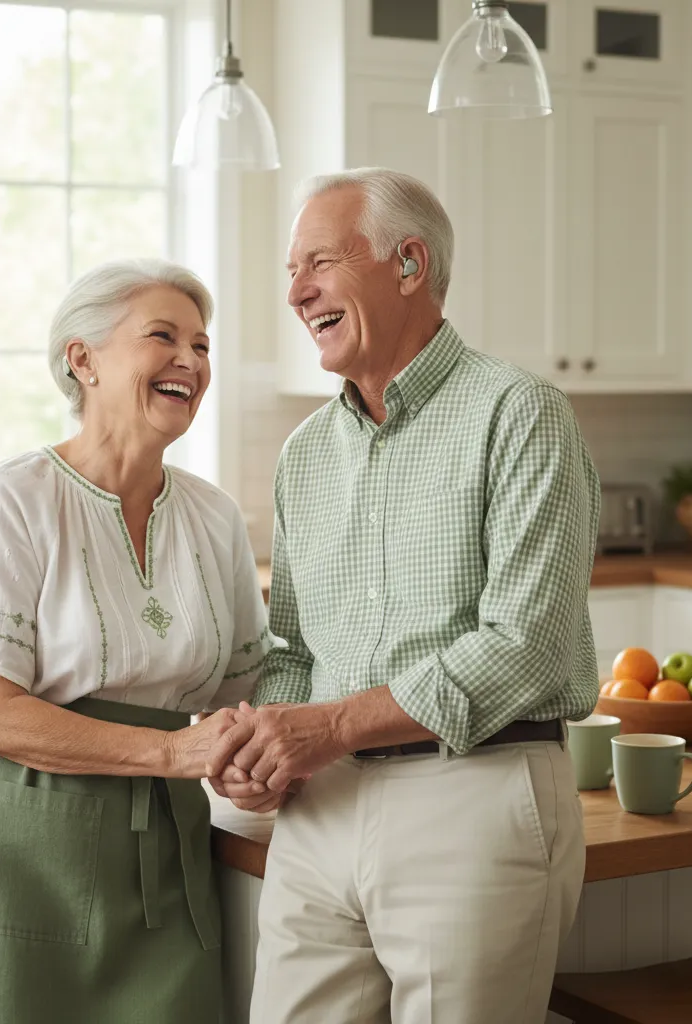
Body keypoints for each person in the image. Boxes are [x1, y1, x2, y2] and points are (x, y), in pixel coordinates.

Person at [207, 168, 601, 1024]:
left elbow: (525, 645)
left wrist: (332, 725)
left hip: (476, 794)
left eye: (318, 261)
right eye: (289, 271)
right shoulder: (305, 454)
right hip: (320, 807)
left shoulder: (522, 414)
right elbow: (295, 650)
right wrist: (271, 749)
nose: (296, 291)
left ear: (410, 264)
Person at [0, 258, 275, 1024]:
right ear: (81, 360)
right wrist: (172, 753)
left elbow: (249, 688)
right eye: (164, 336)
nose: (191, 360)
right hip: (7, 843)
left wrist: (254, 759)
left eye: (203, 344)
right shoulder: (10, 497)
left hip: (159, 848)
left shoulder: (215, 517)